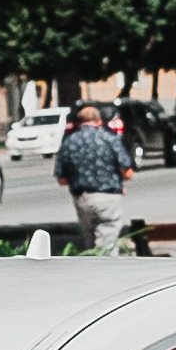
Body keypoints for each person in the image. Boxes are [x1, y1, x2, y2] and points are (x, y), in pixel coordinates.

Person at [56, 105, 131, 252]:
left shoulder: (69, 142)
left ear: (78, 123)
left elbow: (62, 179)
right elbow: (127, 172)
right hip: (108, 197)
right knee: (107, 243)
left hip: (82, 199)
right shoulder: (110, 139)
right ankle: (106, 271)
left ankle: (92, 268)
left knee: (89, 240)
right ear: (99, 121)